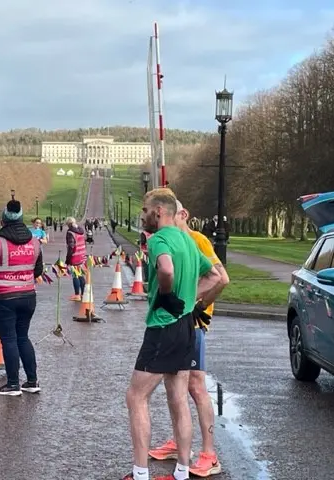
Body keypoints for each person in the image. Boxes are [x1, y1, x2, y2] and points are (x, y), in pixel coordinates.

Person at [123, 188, 222, 480]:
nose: (141, 216)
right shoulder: (189, 241)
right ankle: (181, 472)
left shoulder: (160, 239)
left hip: (162, 327)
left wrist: (166, 295)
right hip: (186, 327)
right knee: (178, 398)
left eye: (144, 211)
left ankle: (140, 473)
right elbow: (217, 276)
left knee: (135, 397)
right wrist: (193, 302)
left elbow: (165, 269)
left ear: (159, 212)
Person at [148, 200, 230, 478]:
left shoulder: (197, 240)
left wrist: (195, 304)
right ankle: (179, 443)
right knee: (176, 388)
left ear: (182, 214)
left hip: (191, 324)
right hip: (177, 321)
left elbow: (221, 278)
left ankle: (209, 453)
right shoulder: (174, 240)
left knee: (195, 385)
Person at [0, 199, 44, 396]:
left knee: (8, 339)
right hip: (27, 295)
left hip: (3, 297)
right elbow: (38, 270)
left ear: (3, 219)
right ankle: (32, 381)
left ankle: (13, 383)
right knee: (23, 337)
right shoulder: (34, 242)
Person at [64, 216, 86, 302]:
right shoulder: (81, 231)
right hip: (81, 255)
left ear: (68, 224)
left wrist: (68, 259)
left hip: (74, 256)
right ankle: (83, 293)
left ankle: (77, 294)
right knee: (80, 274)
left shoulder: (70, 232)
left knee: (75, 275)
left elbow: (71, 246)